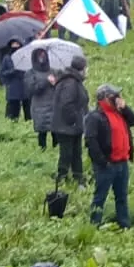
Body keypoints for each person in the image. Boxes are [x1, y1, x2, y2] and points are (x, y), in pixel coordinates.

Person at [82, 84, 134, 229]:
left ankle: (124, 224)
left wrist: (125, 108)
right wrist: (101, 161)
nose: (118, 99)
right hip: (107, 164)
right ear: (105, 99)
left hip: (122, 162)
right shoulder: (94, 117)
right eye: (114, 97)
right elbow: (90, 140)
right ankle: (94, 224)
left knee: (122, 197)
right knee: (100, 196)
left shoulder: (119, 112)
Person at [50, 54, 88, 187]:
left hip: (71, 125)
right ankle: (61, 178)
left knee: (76, 153)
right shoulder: (71, 83)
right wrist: (73, 120)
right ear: (82, 68)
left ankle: (78, 178)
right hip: (67, 126)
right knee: (67, 154)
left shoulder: (73, 80)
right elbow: (67, 104)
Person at [29, 47, 57, 150]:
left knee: (55, 130)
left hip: (53, 104)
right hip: (39, 106)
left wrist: (56, 83)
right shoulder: (31, 73)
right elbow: (31, 89)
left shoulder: (53, 70)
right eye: (39, 55)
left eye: (43, 55)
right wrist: (46, 81)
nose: (42, 58)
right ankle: (42, 149)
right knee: (42, 131)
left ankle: (55, 148)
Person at [0, 40, 32, 122]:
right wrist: (13, 71)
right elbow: (3, 73)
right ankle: (12, 122)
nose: (15, 46)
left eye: (17, 44)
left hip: (24, 85)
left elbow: (30, 70)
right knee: (13, 107)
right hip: (13, 85)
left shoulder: (25, 57)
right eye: (13, 44)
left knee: (27, 106)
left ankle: (28, 122)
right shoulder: (7, 58)